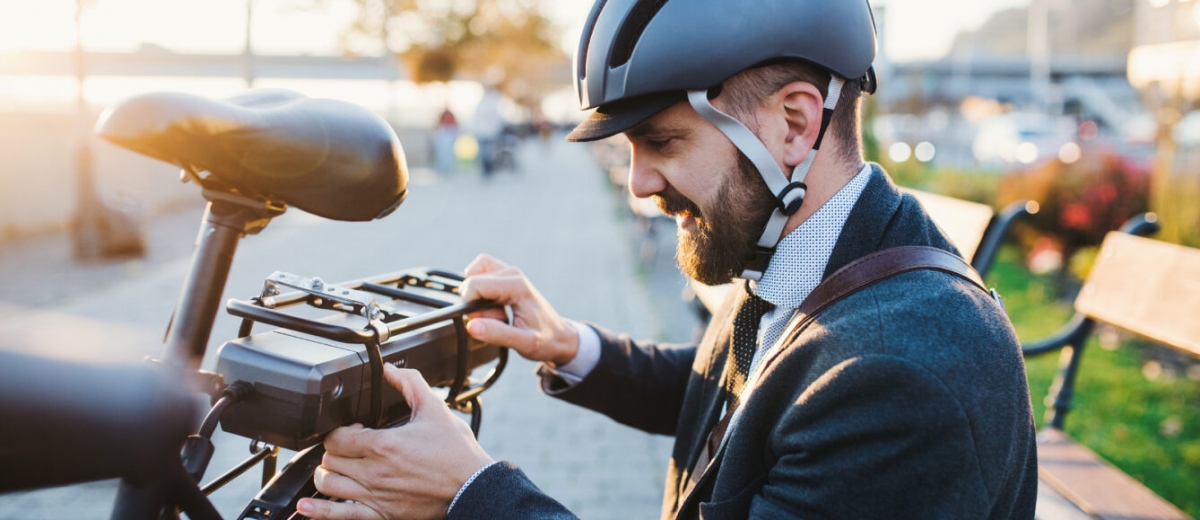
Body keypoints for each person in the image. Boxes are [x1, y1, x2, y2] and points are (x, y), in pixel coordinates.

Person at [297, 0, 1040, 518]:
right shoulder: (818, 258)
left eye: (661, 142)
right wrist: (571, 346)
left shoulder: (901, 376)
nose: (637, 188)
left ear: (793, 124)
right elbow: (752, 400)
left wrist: (469, 493)